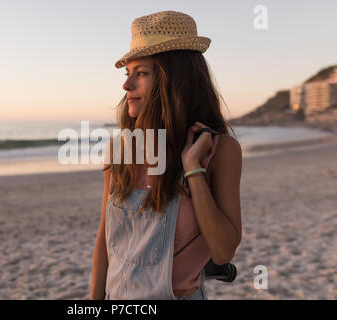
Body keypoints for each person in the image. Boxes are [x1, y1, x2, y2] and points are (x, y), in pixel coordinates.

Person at [89, 10, 242, 300]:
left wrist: (192, 169)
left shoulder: (220, 152)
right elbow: (104, 242)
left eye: (141, 73)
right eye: (128, 73)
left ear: (176, 80)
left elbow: (223, 251)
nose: (126, 85)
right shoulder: (121, 148)